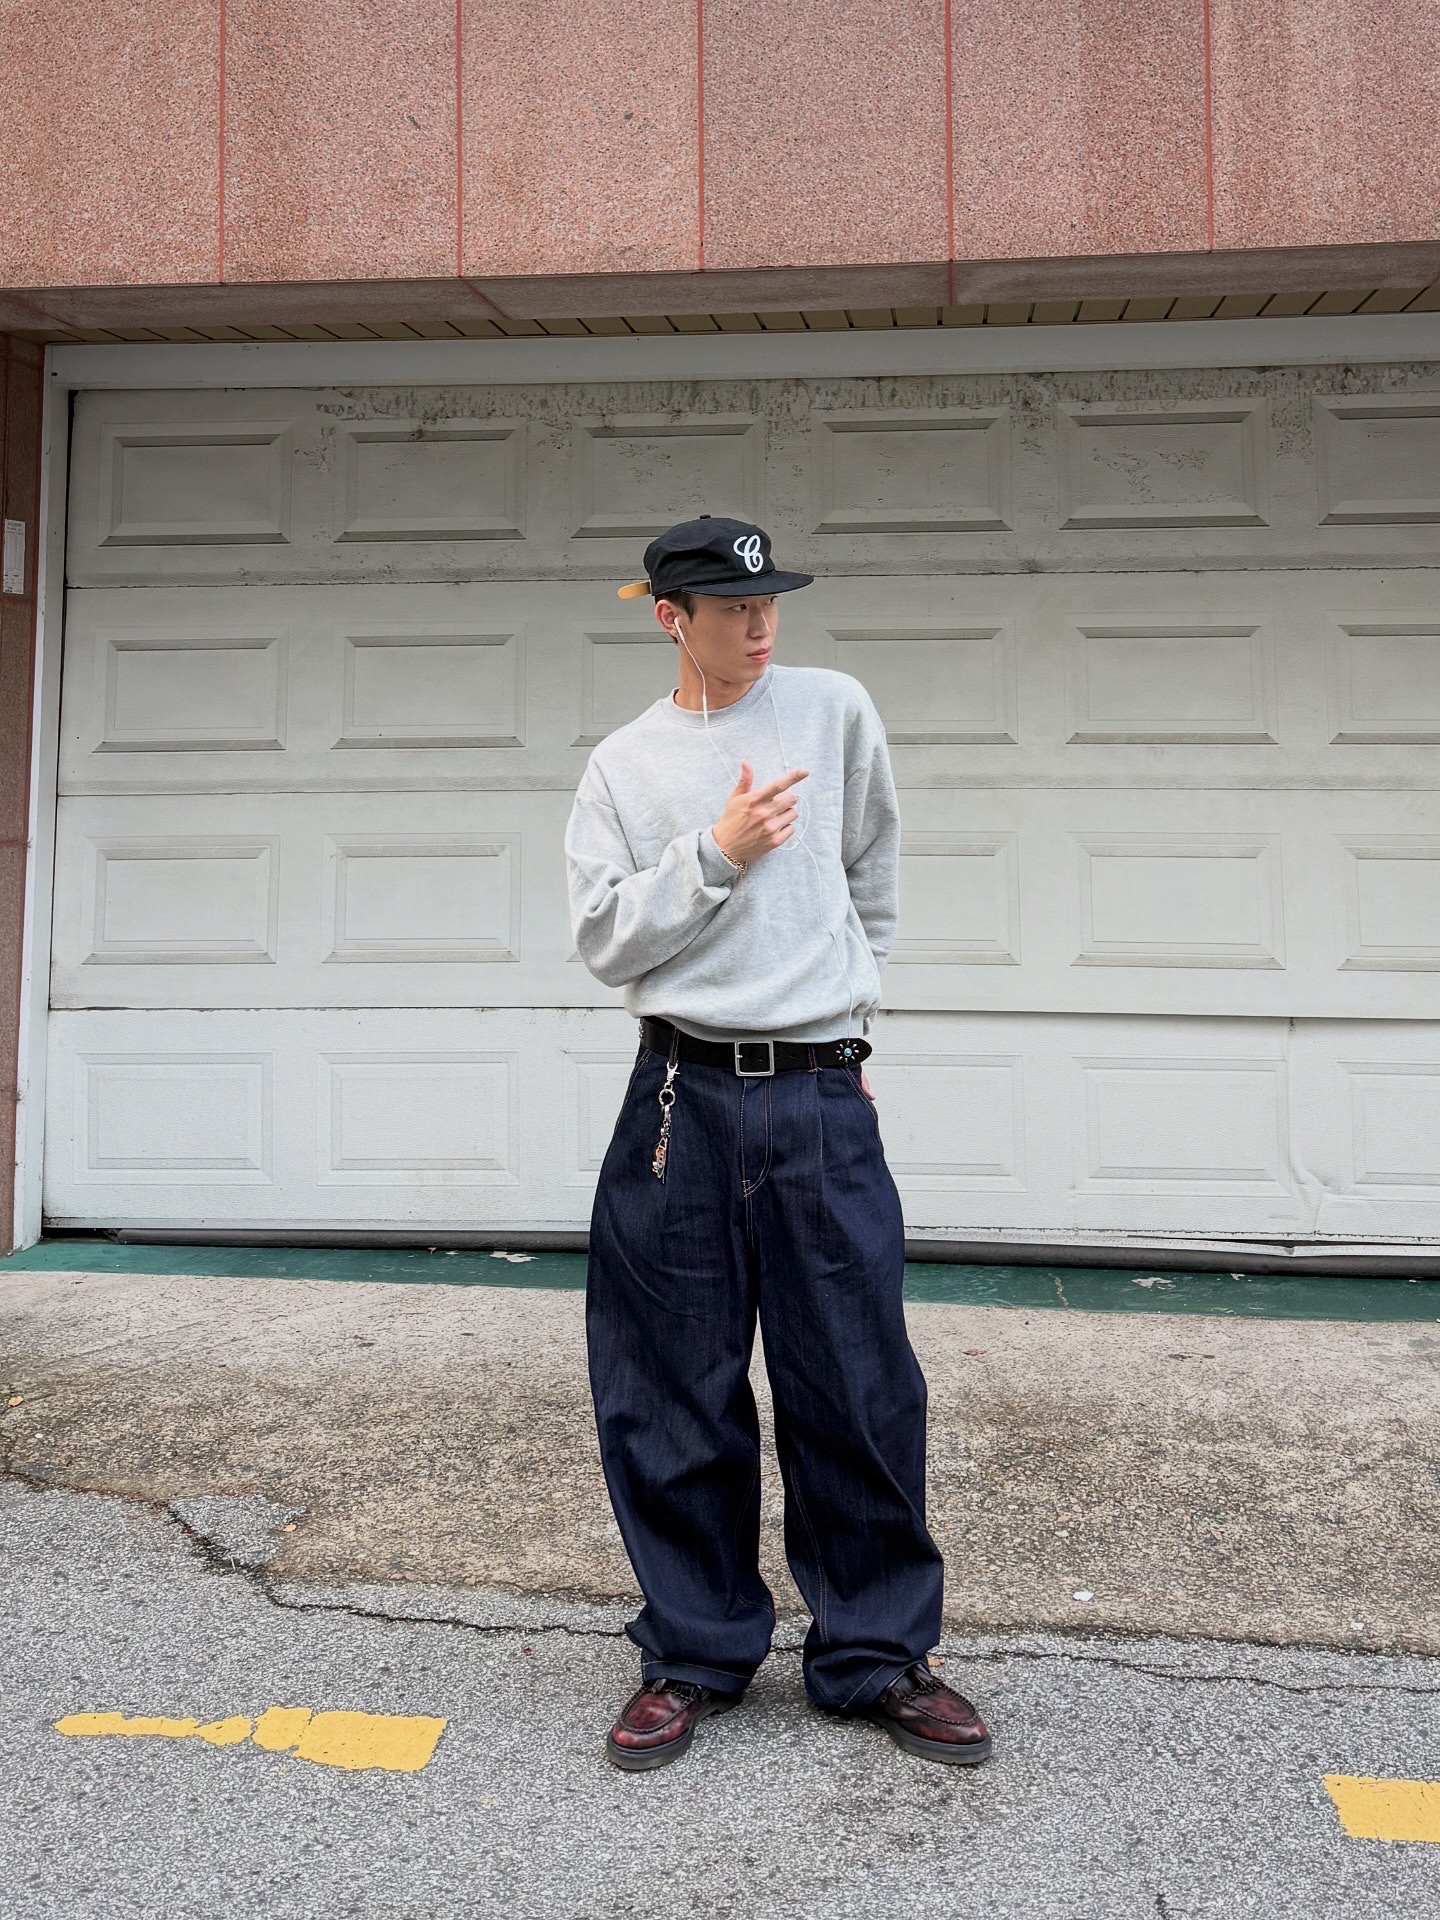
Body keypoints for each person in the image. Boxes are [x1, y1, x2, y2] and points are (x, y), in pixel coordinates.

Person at [564, 515, 991, 1772]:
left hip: (817, 1095)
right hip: (678, 1107)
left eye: (769, 606)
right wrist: (718, 855)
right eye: (731, 610)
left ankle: (875, 1656)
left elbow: (873, 873)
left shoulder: (832, 710)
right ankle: (693, 1651)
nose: (759, 628)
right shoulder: (624, 768)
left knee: (856, 1384)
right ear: (669, 619)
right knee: (670, 1393)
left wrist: (846, 1012)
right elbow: (605, 942)